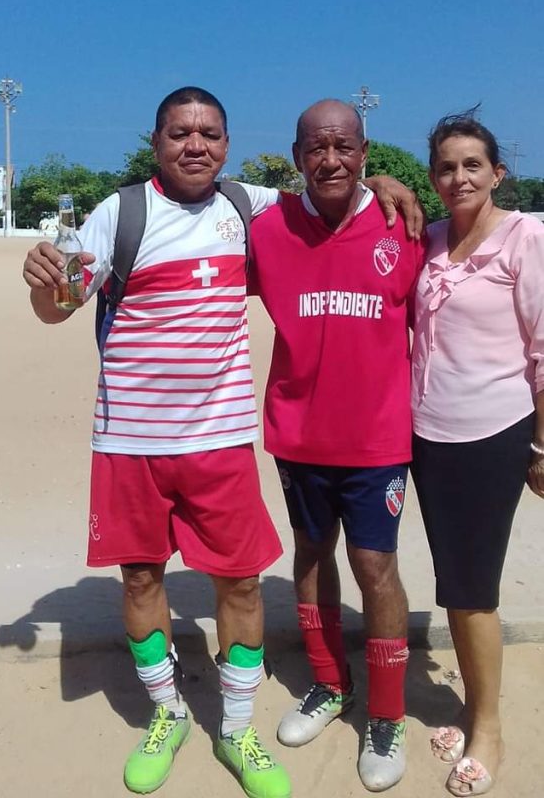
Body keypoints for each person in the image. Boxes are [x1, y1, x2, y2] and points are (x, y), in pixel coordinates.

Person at [22, 86, 419, 798]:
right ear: (156, 142)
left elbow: (332, 185)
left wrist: (385, 178)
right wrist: (43, 281)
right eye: (180, 133)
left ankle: (236, 728)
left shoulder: (248, 206)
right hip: (129, 439)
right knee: (140, 579)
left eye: (209, 133)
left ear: (228, 145)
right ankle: (168, 713)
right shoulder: (120, 213)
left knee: (239, 582)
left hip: (222, 437)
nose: (195, 145)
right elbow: (58, 309)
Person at [247, 100, 424, 792]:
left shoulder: (402, 226)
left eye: (344, 147)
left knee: (375, 565)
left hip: (378, 437)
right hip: (298, 435)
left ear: (365, 152)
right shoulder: (267, 228)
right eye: (316, 149)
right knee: (312, 552)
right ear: (296, 157)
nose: (330, 160)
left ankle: (387, 714)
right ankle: (330, 683)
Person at [410, 108, 544, 796]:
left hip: (493, 435)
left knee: (475, 590)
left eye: (472, 165)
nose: (458, 177)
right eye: (445, 166)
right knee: (455, 586)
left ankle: (489, 727)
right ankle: (469, 706)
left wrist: (543, 445)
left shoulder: (525, 237)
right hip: (428, 436)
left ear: (497, 172)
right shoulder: (430, 239)